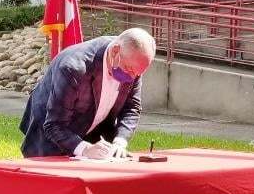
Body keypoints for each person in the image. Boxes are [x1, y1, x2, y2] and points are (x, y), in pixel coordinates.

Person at [19, 28, 156, 158]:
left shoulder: (132, 61)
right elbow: (54, 124)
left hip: (92, 131)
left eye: (137, 74)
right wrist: (84, 149)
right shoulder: (73, 68)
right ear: (115, 51)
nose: (132, 78)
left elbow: (131, 108)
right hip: (48, 138)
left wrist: (120, 141)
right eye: (129, 69)